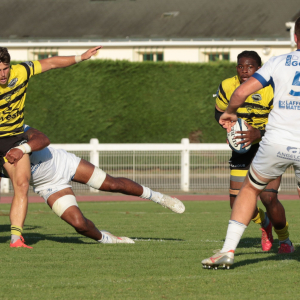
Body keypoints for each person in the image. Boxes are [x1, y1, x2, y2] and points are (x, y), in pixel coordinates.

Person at [202, 17, 300, 269]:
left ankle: (227, 251)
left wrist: (231, 111)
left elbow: (241, 92)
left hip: (275, 141)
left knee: (250, 189)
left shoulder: (277, 62)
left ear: (295, 38)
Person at [2, 125, 185, 248]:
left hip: (62, 163)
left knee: (112, 184)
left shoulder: (13, 126)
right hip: (48, 185)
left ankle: (159, 197)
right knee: (79, 225)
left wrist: (22, 148)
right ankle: (107, 238)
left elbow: (43, 139)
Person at [0, 46, 102, 248]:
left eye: (5, 68)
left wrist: (80, 57)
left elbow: (52, 62)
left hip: (13, 140)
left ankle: (16, 239)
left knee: (21, 184)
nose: (2, 74)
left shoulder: (21, 72)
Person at [215, 51, 292, 253]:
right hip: (242, 149)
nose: (244, 71)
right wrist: (229, 127)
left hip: (269, 144)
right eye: (240, 66)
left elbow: (283, 120)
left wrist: (258, 133)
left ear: (259, 68)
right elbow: (220, 112)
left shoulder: (272, 87)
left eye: (249, 67)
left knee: (268, 198)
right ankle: (264, 223)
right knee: (235, 202)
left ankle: (285, 240)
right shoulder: (227, 86)